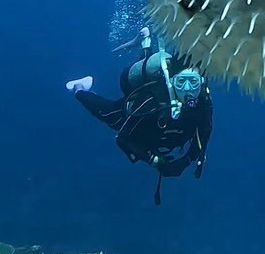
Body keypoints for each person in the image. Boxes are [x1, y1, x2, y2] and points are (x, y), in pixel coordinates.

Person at [67, 26, 213, 205]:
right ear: (172, 81)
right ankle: (79, 89)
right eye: (182, 82)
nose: (188, 89)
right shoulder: (153, 100)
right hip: (136, 115)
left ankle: (145, 39)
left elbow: (204, 134)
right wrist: (155, 161)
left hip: (159, 133)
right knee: (107, 112)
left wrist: (186, 161)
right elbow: (122, 138)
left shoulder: (203, 103)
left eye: (194, 82)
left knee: (146, 60)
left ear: (201, 83)